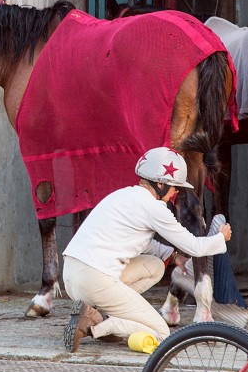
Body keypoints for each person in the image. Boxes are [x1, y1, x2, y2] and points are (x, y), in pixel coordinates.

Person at [62, 146, 232, 353]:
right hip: (95, 280)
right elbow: (194, 246)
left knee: (155, 266)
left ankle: (103, 313)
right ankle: (96, 324)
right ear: (159, 183)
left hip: (72, 275)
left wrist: (172, 255)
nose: (176, 192)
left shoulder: (123, 195)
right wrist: (220, 237)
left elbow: (135, 240)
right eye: (174, 186)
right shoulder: (154, 208)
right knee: (161, 333)